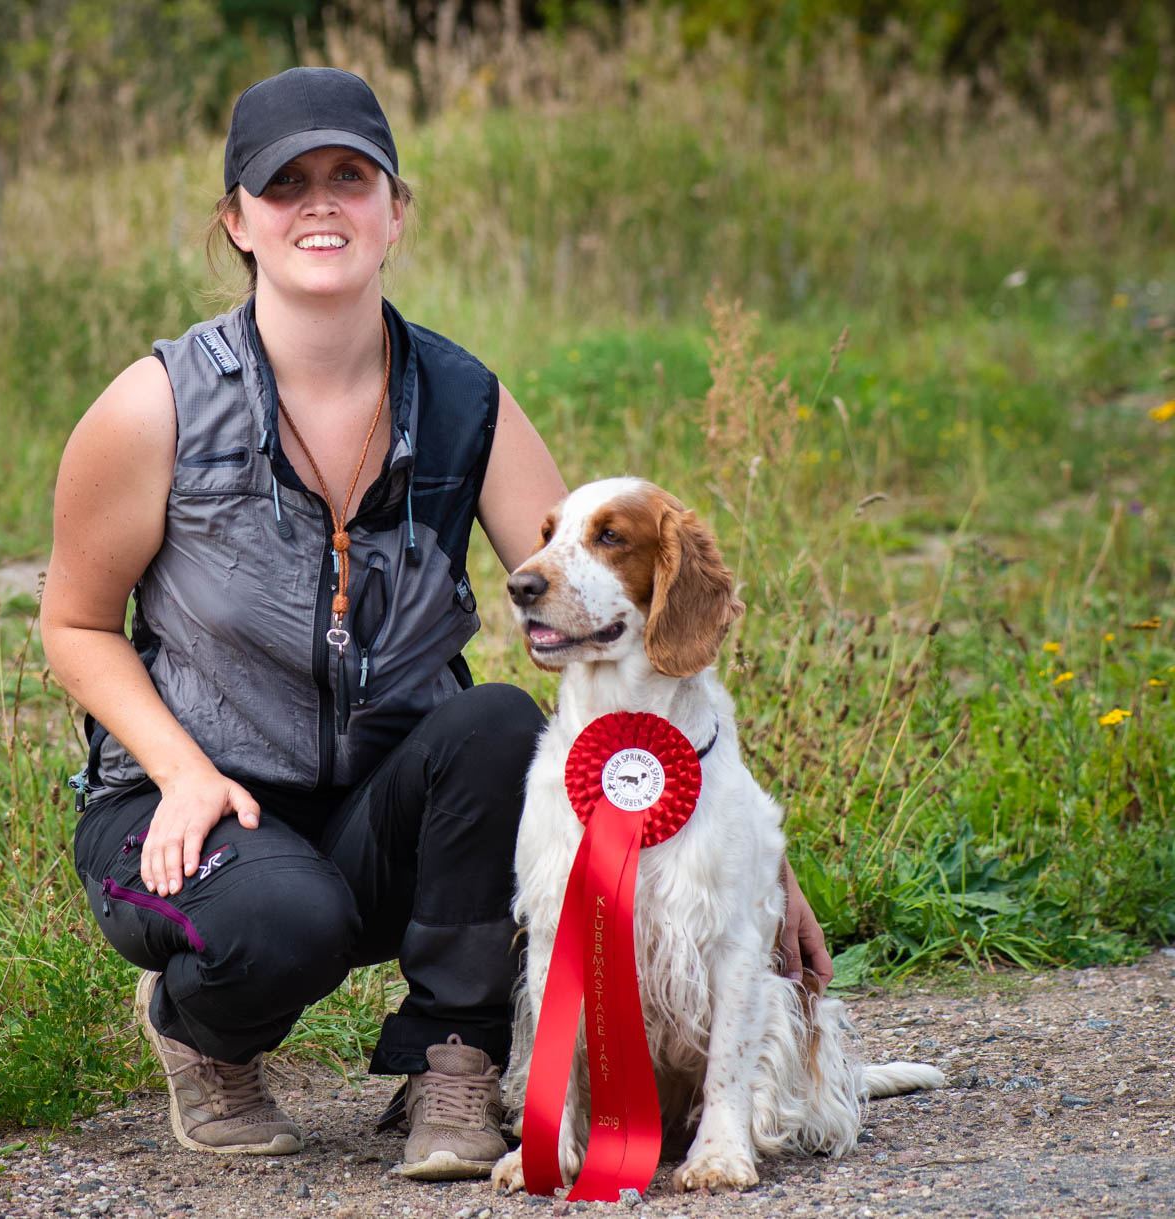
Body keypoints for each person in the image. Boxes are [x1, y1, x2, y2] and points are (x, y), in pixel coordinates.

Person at [42, 65, 832, 1183]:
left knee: (502, 720)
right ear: (237, 223)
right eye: (285, 185)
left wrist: (762, 858)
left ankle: (454, 1059)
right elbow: (73, 624)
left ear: (394, 211)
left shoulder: (465, 402)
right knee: (283, 919)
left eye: (350, 178)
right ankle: (197, 1028)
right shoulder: (153, 404)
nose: (320, 204)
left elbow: (607, 621)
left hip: (380, 807)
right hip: (178, 816)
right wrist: (175, 772)